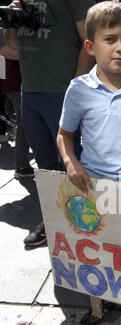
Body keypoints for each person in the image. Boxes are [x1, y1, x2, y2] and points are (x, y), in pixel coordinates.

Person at [57, 1, 121, 325]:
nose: (120, 47)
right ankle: (99, 305)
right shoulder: (79, 90)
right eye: (110, 39)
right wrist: (71, 162)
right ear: (90, 46)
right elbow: (64, 135)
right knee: (97, 250)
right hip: (94, 188)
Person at [4, 0, 95, 246]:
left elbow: (90, 44)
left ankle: (83, 224)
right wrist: (12, 19)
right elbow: (13, 44)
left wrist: (76, 87)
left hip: (61, 92)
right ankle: (54, 220)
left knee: (71, 162)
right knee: (44, 165)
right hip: (30, 92)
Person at [0, 28, 33, 178]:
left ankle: (22, 165)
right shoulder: (6, 24)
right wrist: (39, 53)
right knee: (25, 119)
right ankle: (22, 166)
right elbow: (5, 50)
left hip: (19, 80)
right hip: (14, 81)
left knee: (25, 119)